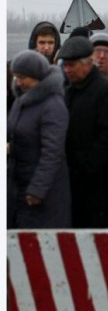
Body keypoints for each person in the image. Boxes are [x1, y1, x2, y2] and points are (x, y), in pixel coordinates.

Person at [58, 37, 108, 228]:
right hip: (72, 183)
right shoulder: (69, 92)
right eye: (65, 66)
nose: (67, 70)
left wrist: (86, 166)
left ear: (88, 63)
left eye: (72, 65)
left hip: (98, 187)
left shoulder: (107, 92)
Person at [7, 51, 71, 228]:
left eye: (23, 77)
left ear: (37, 77)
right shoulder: (21, 101)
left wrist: (37, 190)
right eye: (16, 77)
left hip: (41, 193)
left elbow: (52, 152)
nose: (18, 82)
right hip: (18, 185)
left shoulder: (53, 105)